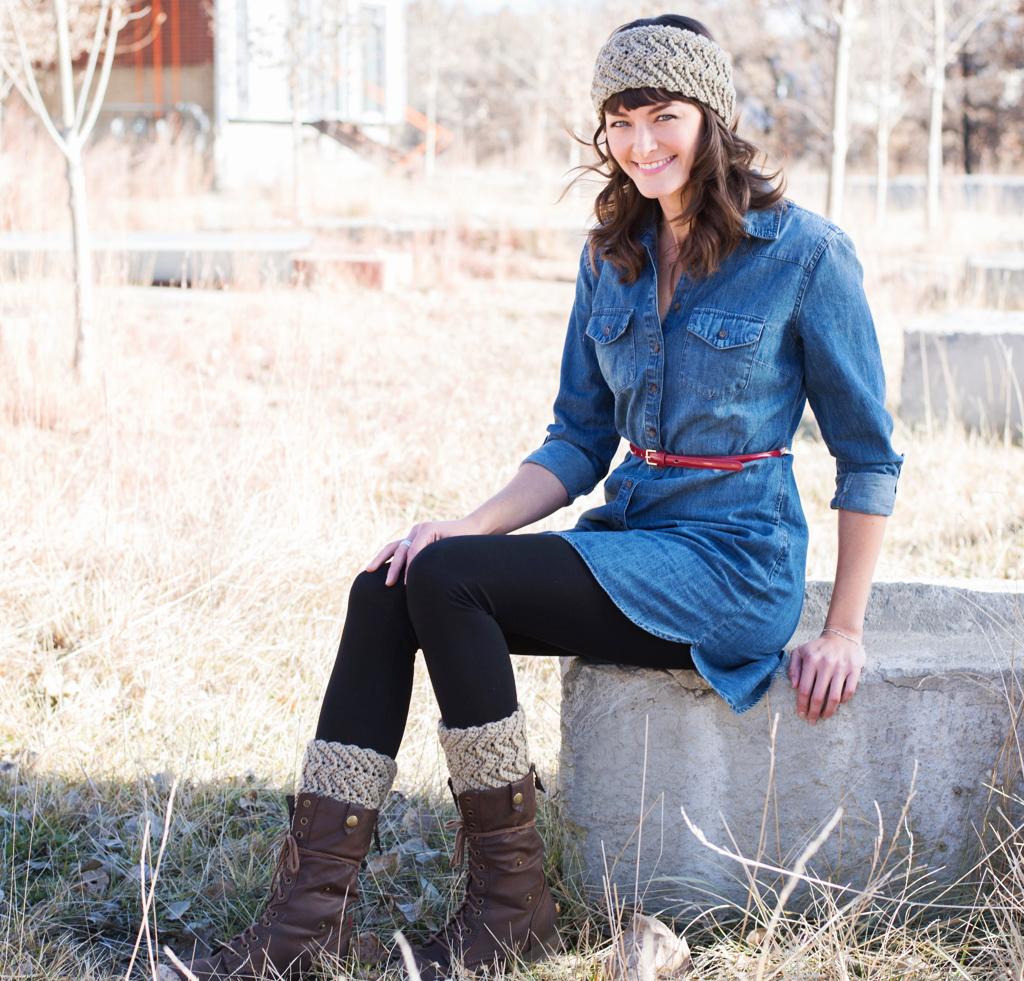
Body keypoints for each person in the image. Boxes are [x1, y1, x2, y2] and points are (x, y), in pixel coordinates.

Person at [160, 12, 904, 981]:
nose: (641, 145)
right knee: (392, 583)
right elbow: (579, 439)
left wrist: (843, 627)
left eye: (663, 117)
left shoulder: (803, 254)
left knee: (455, 584)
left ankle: (511, 907)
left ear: (711, 118)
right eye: (621, 122)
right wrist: (457, 526)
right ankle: (304, 923)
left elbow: (868, 455)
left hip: (731, 565)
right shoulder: (613, 254)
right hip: (632, 532)